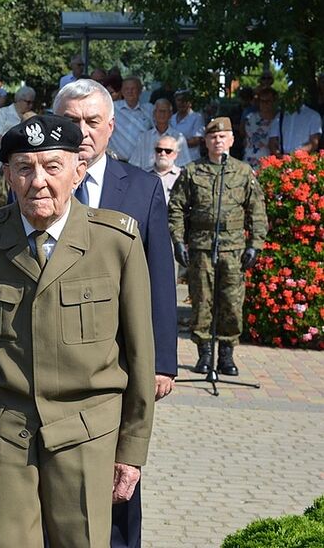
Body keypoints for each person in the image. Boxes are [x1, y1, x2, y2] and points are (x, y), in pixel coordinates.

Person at [0, 114, 156, 548]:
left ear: (79, 171)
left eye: (52, 167)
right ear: (7, 176)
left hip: (87, 434)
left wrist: (132, 451)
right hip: (3, 433)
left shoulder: (116, 242)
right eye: (24, 168)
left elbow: (140, 355)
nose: (37, 181)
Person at [54, 79, 177, 548]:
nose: (82, 131)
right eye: (71, 121)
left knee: (120, 479)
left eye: (91, 121)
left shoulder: (142, 188)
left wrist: (163, 360)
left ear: (111, 126)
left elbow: (161, 277)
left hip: (121, 363)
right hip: (52, 362)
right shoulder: (35, 181)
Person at [168, 117, 268, 377]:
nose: (218, 141)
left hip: (233, 249)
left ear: (232, 140)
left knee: (232, 304)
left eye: (223, 137)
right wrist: (178, 240)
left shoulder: (244, 172)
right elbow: (176, 208)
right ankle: (205, 354)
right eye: (213, 137)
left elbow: (257, 211)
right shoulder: (192, 171)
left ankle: (226, 354)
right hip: (201, 246)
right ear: (206, 141)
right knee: (202, 301)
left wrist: (255, 245)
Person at [130, 99, 190, 172]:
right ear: (154, 114)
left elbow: (185, 164)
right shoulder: (144, 137)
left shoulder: (178, 137)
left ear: (170, 114)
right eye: (159, 111)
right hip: (148, 178)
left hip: (172, 180)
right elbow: (134, 164)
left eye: (165, 111)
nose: (162, 114)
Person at [109, 76, 153, 163]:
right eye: (126, 89)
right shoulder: (112, 108)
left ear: (140, 91)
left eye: (133, 88)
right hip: (118, 162)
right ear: (122, 91)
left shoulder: (149, 109)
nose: (130, 91)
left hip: (142, 164)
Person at [240, 87, 277, 168]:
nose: (264, 104)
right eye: (262, 101)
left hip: (271, 162)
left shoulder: (279, 119)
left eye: (268, 101)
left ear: (274, 102)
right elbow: (244, 134)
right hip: (250, 160)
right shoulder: (250, 118)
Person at [171, 90, 205, 161]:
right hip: (174, 160)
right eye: (179, 100)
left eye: (185, 100)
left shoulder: (197, 117)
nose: (182, 103)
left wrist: (174, 144)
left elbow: (196, 141)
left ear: (190, 102)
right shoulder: (171, 118)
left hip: (191, 159)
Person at [151, 136, 182, 203]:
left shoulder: (182, 176)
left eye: (168, 151)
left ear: (175, 154)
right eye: (159, 150)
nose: (162, 153)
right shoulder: (144, 174)